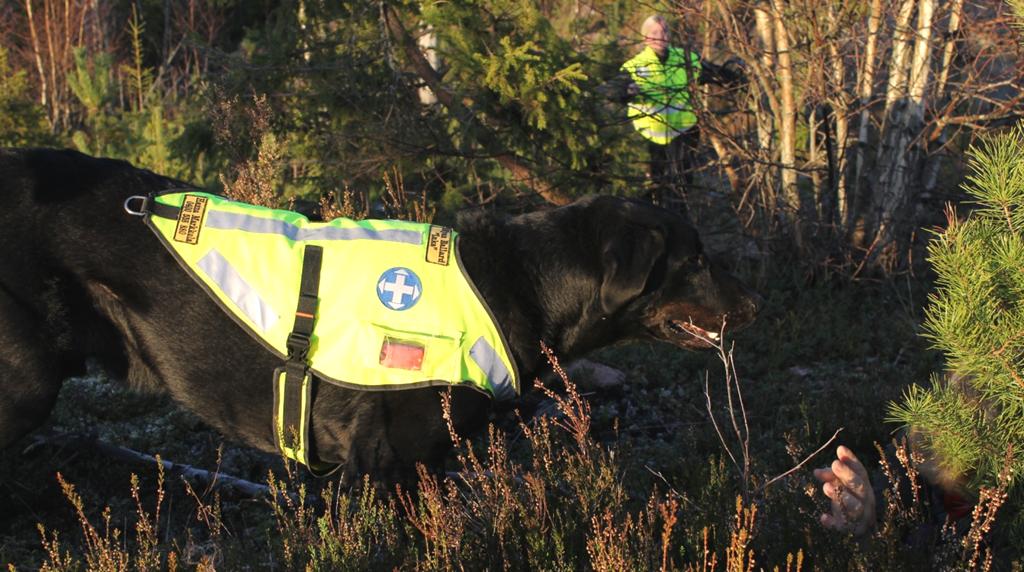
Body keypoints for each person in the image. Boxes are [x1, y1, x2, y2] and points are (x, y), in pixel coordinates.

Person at [609, 15, 741, 214]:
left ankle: (681, 222)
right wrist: (627, 91)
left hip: (684, 132)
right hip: (651, 137)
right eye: (655, 33)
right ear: (645, 38)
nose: (661, 37)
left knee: (681, 183)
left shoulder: (685, 59)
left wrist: (740, 79)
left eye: (665, 32)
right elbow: (612, 92)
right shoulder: (635, 66)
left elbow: (717, 75)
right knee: (658, 185)